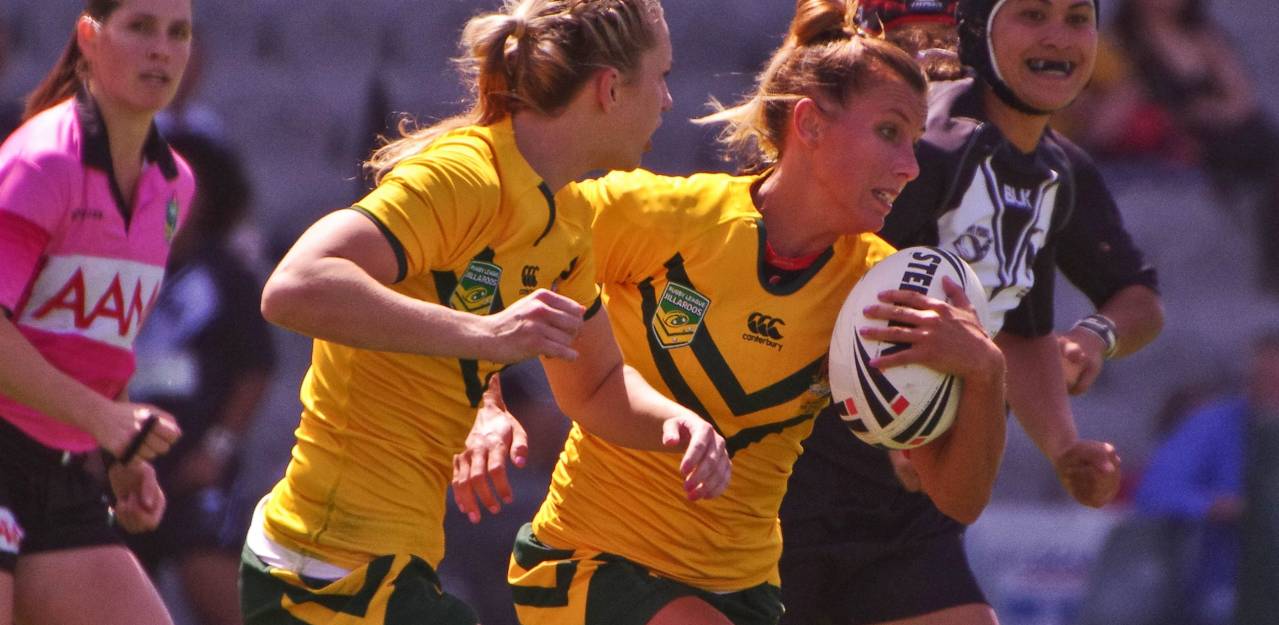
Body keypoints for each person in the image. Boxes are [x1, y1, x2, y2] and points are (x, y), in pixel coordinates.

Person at [452, 2, 1009, 623]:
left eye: (914, 141)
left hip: (746, 592)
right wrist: (485, 403)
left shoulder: (879, 288)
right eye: (888, 132)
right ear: (810, 124)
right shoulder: (663, 217)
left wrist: (985, 373)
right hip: (592, 562)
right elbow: (477, 252)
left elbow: (957, 498)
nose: (910, 166)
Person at [238, 2, 730, 624]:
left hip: (384, 570)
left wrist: (678, 425)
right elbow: (295, 284)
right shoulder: (463, 175)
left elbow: (599, 385)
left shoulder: (569, 221)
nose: (666, 100)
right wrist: (487, 335)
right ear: (609, 88)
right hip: (323, 569)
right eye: (660, 76)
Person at [778, 0, 1165, 623]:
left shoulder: (1049, 170)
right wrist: (902, 431)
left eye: (1076, 18)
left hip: (907, 514)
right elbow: (815, 293)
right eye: (1032, 14)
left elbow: (1025, 329)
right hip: (793, 491)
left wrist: (1065, 444)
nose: (1058, 37)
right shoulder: (926, 152)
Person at [0, 0, 193, 624]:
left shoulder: (174, 185)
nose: (161, 49)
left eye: (177, 32)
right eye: (139, 27)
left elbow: (96, 339)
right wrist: (107, 422)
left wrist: (122, 458)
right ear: (89, 37)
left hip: (58, 475)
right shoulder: (43, 162)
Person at [126, 132, 273, 625]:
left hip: (192, 466)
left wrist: (218, 448)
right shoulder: (112, 263)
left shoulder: (225, 273)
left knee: (210, 579)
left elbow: (255, 367)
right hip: (113, 464)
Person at [1113, 0, 1279, 294]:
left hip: (1227, 131)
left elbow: (1240, 99)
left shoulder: (1203, 36)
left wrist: (1209, 112)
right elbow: (1129, 103)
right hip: (1176, 136)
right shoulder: (1126, 41)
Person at [1128, 333, 1279, 625]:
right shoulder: (1214, 423)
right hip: (1230, 575)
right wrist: (1220, 507)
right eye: (1264, 377)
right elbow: (1156, 490)